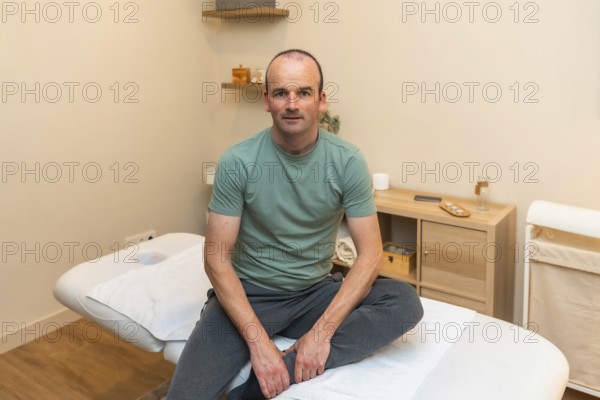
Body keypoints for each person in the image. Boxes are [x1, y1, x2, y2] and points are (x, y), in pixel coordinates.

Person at [167, 49, 423, 400]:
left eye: (303, 92)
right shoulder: (238, 161)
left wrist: (320, 336)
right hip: (251, 293)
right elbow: (216, 257)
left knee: (403, 301)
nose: (292, 103)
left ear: (320, 101)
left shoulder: (347, 161)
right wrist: (259, 345)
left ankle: (263, 387)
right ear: (266, 102)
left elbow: (371, 255)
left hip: (314, 293)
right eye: (281, 93)